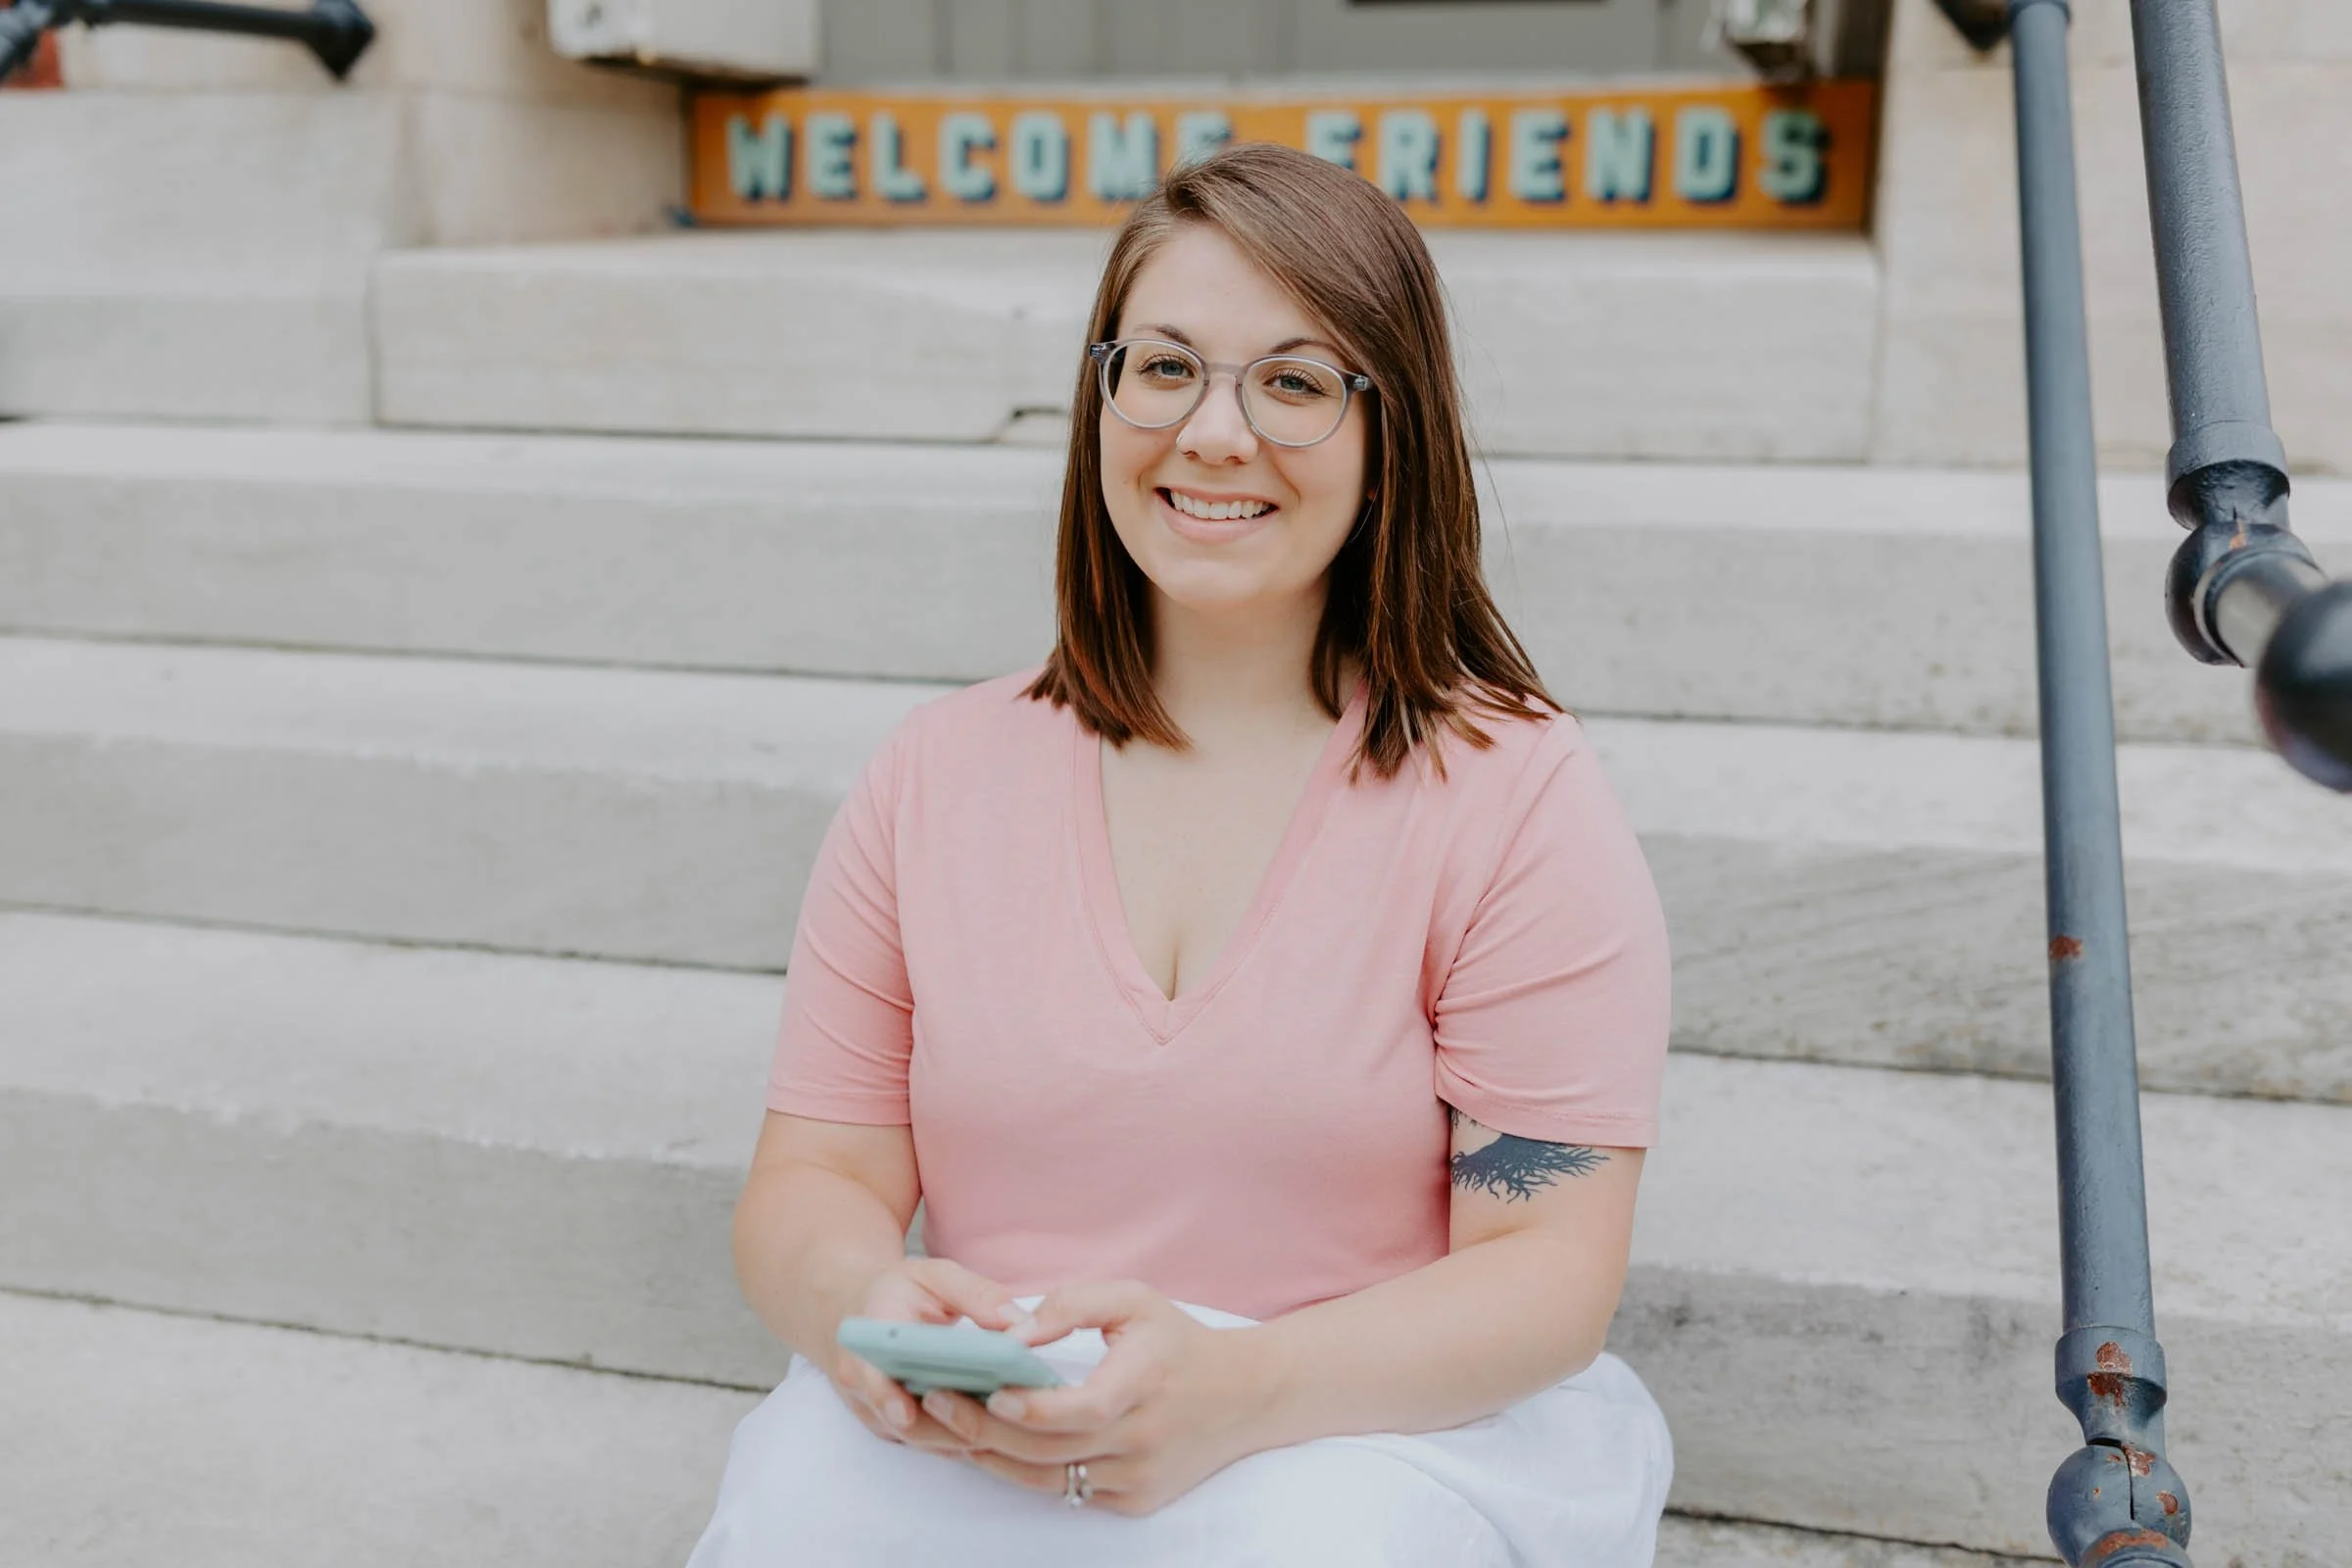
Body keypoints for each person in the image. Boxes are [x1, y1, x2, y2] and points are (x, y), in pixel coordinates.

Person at [687, 141, 1674, 1567]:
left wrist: (1235, 1392)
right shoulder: (933, 775)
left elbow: (1547, 1270)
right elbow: (816, 1178)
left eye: (1294, 381)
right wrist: (871, 1308)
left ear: (1393, 429)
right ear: (1102, 399)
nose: (1214, 433)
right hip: (996, 1426)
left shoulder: (1515, 796)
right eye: (1163, 368)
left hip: (1358, 1427)